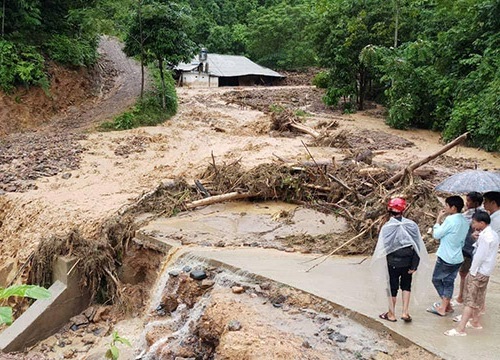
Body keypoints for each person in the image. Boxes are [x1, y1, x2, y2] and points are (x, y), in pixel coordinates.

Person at [372, 197, 428, 323]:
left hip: (393, 263)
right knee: (406, 285)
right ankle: (405, 312)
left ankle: (391, 314)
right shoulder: (411, 225)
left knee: (392, 287)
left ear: (389, 210)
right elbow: (417, 246)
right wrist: (414, 265)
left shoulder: (387, 227)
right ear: (403, 209)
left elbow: (383, 247)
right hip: (408, 262)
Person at [444, 211, 499, 336]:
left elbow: (480, 256)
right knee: (479, 297)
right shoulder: (492, 234)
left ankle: (460, 328)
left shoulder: (485, 237)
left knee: (470, 300)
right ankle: (475, 321)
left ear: (482, 223)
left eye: (474, 222)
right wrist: (477, 240)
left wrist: (472, 272)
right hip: (486, 271)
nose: (472, 225)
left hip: (478, 271)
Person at [427, 196, 469, 316]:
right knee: (449, 281)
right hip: (458, 257)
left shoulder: (450, 220)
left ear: (453, 208)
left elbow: (437, 235)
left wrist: (438, 220)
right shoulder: (464, 220)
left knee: (436, 279)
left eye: (446, 205)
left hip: (446, 256)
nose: (445, 207)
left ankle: (443, 307)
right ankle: (447, 306)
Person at [454, 192, 483, 305]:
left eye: (469, 201)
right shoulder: (484, 214)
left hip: (467, 248)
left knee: (463, 273)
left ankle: (461, 297)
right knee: (470, 274)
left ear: (475, 203)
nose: (467, 203)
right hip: (473, 249)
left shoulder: (468, 216)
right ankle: (464, 296)